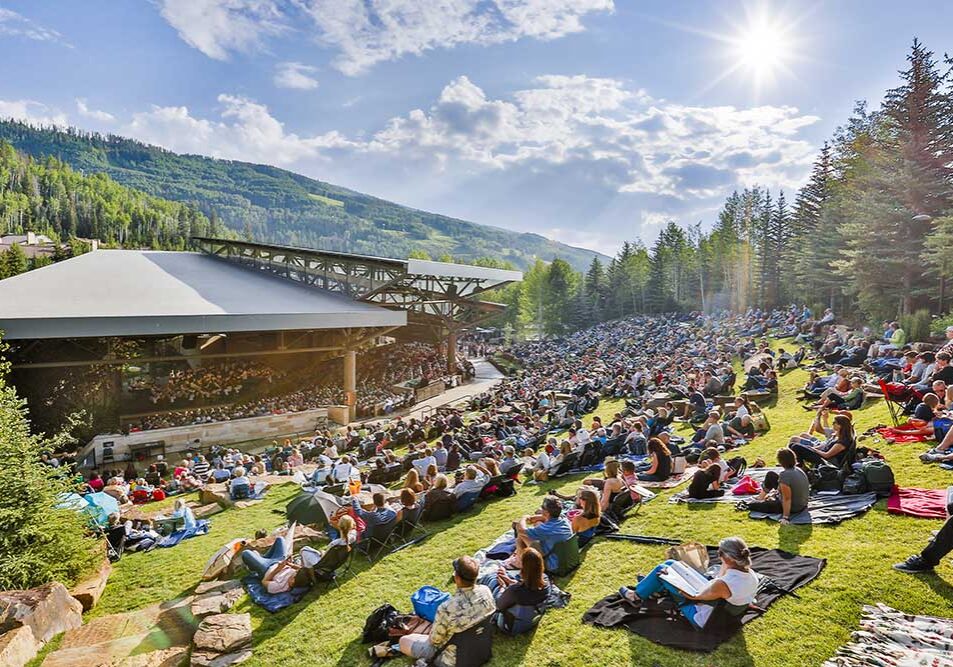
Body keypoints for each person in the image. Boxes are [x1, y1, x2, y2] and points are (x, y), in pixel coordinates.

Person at [619, 536, 760, 630]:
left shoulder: (724, 584)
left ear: (729, 558)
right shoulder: (750, 575)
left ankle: (637, 596)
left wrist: (674, 582)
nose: (719, 556)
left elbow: (694, 597)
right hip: (714, 601)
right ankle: (652, 587)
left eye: (720, 554)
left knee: (663, 572)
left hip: (702, 617)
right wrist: (726, 563)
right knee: (672, 563)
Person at [394, 556, 495, 665]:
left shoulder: (447, 608)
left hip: (454, 660)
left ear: (457, 578)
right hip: (481, 651)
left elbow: (434, 641)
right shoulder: (486, 591)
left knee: (404, 641)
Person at [477, 547, 552, 634]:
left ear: (524, 568)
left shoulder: (515, 591)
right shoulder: (545, 581)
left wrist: (503, 587)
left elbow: (498, 606)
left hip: (509, 626)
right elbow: (528, 586)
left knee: (493, 581)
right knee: (506, 578)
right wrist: (508, 579)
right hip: (531, 618)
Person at [745, 449, 809, 524]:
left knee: (752, 505)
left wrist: (785, 517)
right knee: (771, 475)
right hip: (802, 503)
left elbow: (787, 498)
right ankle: (760, 497)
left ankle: (759, 501)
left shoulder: (785, 475)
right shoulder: (798, 470)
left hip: (793, 507)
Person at [512, 497, 573, 571]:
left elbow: (521, 530)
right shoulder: (563, 519)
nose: (541, 509)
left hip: (553, 564)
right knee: (538, 523)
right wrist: (533, 518)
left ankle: (519, 562)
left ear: (547, 512)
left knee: (521, 536)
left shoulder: (546, 529)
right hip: (565, 557)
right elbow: (543, 518)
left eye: (542, 507)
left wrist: (524, 518)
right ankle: (519, 557)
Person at [788, 413, 854, 468]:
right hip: (821, 454)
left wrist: (814, 450)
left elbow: (827, 455)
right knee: (792, 445)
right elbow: (824, 445)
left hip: (825, 460)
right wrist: (811, 448)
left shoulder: (842, 443)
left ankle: (801, 467)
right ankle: (791, 463)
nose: (832, 424)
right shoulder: (837, 435)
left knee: (795, 447)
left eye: (834, 422)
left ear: (840, 426)